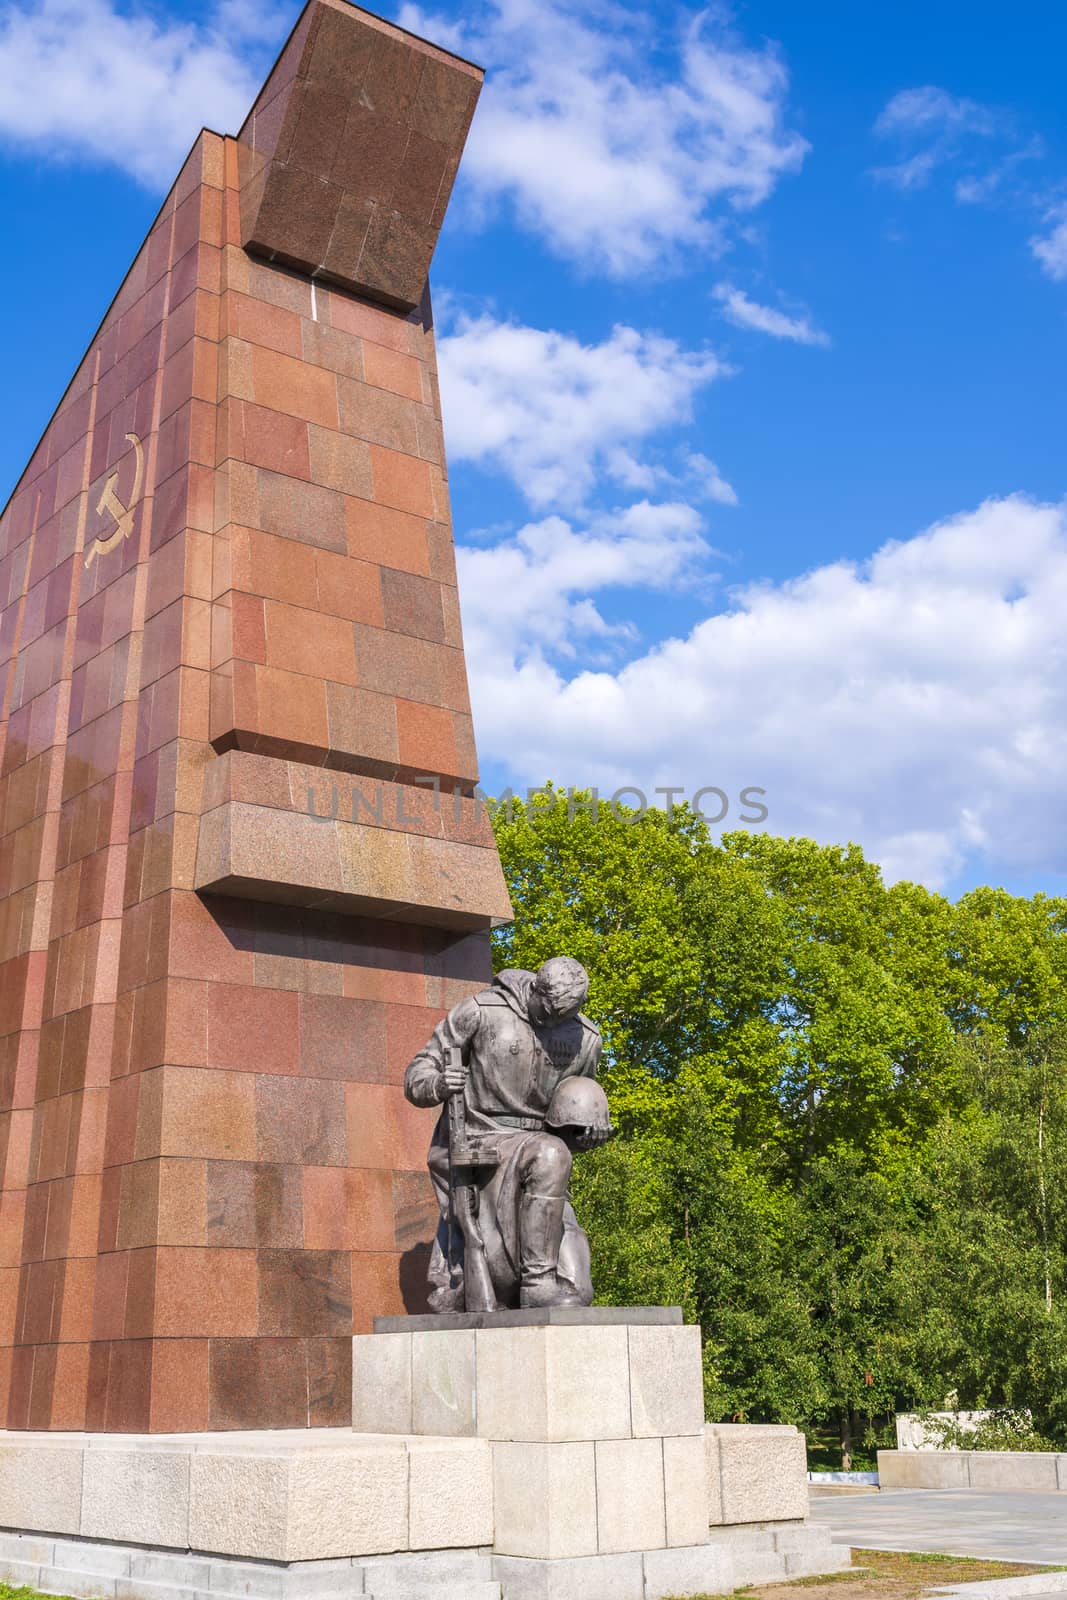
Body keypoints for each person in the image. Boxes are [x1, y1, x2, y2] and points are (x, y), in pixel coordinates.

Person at [403, 956, 612, 1311]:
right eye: (546, 1014)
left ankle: (538, 1280)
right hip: (483, 1139)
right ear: (535, 990)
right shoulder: (481, 1011)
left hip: (542, 1154)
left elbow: (571, 1114)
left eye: (562, 1020)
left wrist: (586, 1135)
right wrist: (438, 1083)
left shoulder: (586, 1038)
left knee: (579, 1291)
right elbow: (417, 1073)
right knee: (549, 1153)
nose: (552, 1025)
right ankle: (537, 1282)